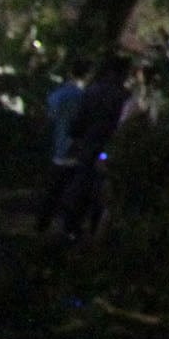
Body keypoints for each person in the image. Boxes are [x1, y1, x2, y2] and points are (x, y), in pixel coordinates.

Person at [57, 53, 130, 243]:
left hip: (89, 145)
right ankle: (97, 228)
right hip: (110, 147)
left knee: (82, 186)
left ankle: (72, 227)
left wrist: (77, 136)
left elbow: (78, 122)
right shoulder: (122, 96)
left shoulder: (92, 92)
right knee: (104, 189)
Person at [34, 71, 86, 232]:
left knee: (53, 190)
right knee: (75, 192)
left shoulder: (57, 95)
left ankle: (42, 224)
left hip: (60, 149)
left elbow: (49, 120)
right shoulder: (83, 95)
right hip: (79, 149)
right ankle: (70, 227)